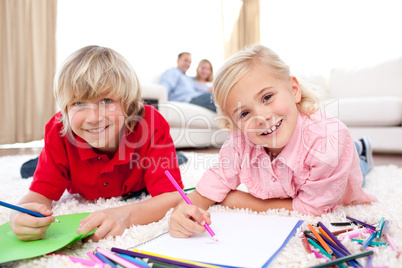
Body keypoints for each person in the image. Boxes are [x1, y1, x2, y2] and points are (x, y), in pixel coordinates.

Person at [169, 44, 377, 238]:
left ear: (294, 90)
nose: (262, 117)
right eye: (244, 113)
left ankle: (359, 148)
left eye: (267, 97)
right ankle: (358, 146)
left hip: (338, 166)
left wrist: (237, 200)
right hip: (301, 175)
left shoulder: (328, 143)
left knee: (358, 168)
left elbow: (313, 208)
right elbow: (217, 179)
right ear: (235, 124)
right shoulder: (241, 141)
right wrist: (184, 210)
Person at [9, 45, 185, 242]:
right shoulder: (58, 130)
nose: (93, 118)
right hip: (66, 159)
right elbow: (36, 196)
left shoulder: (151, 123)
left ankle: (178, 156)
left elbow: (173, 197)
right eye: (78, 103)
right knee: (29, 169)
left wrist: (125, 215)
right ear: (65, 109)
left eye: (106, 100)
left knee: (175, 160)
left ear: (128, 104)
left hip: (139, 175)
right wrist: (19, 215)